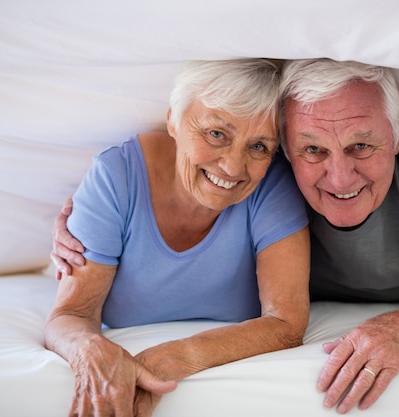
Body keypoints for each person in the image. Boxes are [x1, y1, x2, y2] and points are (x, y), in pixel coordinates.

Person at [52, 58, 399, 414]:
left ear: (396, 131)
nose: (339, 178)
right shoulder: (256, 171)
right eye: (313, 150)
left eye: (362, 145)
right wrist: (87, 219)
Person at [45, 59, 310, 417]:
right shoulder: (116, 177)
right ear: (173, 119)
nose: (233, 167)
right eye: (217, 134)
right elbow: (70, 315)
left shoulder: (272, 186)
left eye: (259, 147)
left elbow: (286, 325)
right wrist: (91, 351)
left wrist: (170, 359)